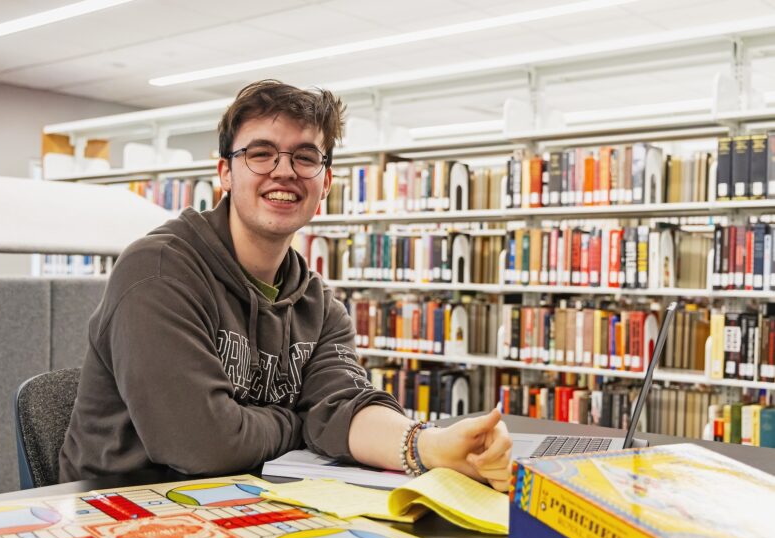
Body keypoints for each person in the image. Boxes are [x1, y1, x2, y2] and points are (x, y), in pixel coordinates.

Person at [58, 79, 512, 490]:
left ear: (326, 181)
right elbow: (199, 444)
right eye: (260, 153)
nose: (284, 170)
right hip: (122, 511)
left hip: (245, 502)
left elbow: (342, 408)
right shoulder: (158, 272)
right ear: (225, 173)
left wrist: (427, 445)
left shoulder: (317, 304)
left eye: (305, 157)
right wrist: (298, 422)